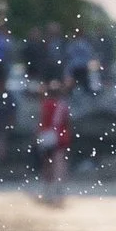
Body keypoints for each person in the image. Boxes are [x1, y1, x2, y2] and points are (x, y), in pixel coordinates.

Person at [35, 76, 72, 205]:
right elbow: (66, 122)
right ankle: (59, 186)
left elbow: (42, 121)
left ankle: (47, 187)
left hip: (46, 136)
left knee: (47, 163)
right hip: (61, 136)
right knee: (59, 162)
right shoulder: (62, 105)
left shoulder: (45, 104)